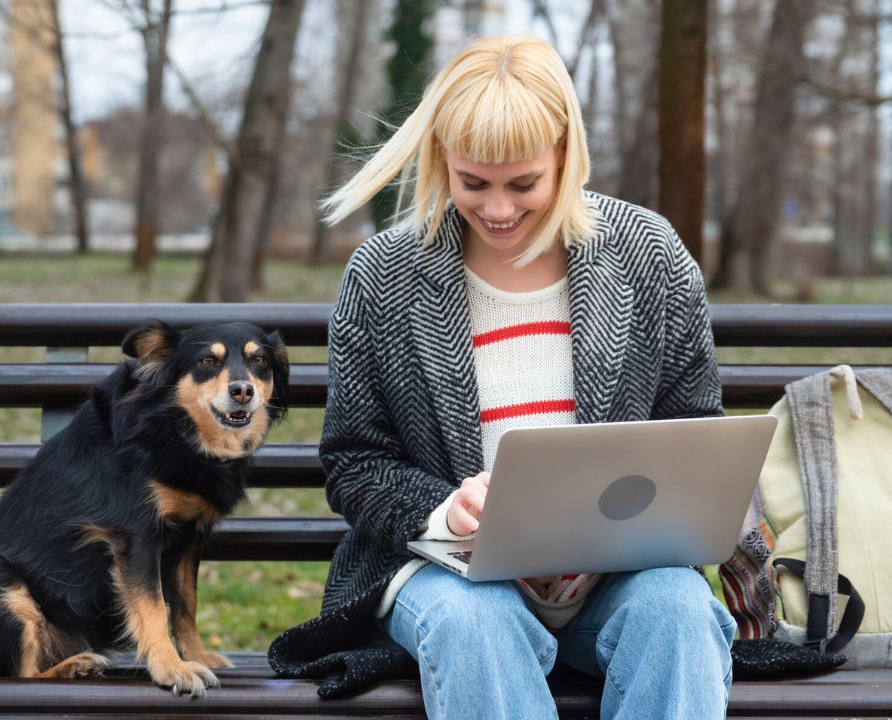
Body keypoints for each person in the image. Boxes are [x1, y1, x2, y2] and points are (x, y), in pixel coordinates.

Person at [268, 35, 735, 719]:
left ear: (566, 156)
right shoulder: (384, 276)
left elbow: (693, 430)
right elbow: (355, 461)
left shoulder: (649, 256)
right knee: (473, 622)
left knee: (679, 611)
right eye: (472, 183)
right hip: (448, 579)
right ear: (441, 161)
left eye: (524, 184)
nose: (498, 209)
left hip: (615, 579)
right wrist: (442, 512)